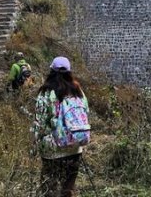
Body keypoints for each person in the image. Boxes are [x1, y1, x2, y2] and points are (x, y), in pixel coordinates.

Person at [32, 57, 90, 197]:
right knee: (67, 189)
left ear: (51, 71)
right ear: (69, 72)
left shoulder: (46, 93)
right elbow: (85, 113)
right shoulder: (78, 91)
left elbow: (40, 123)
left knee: (49, 187)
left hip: (52, 149)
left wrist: (36, 144)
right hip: (75, 146)